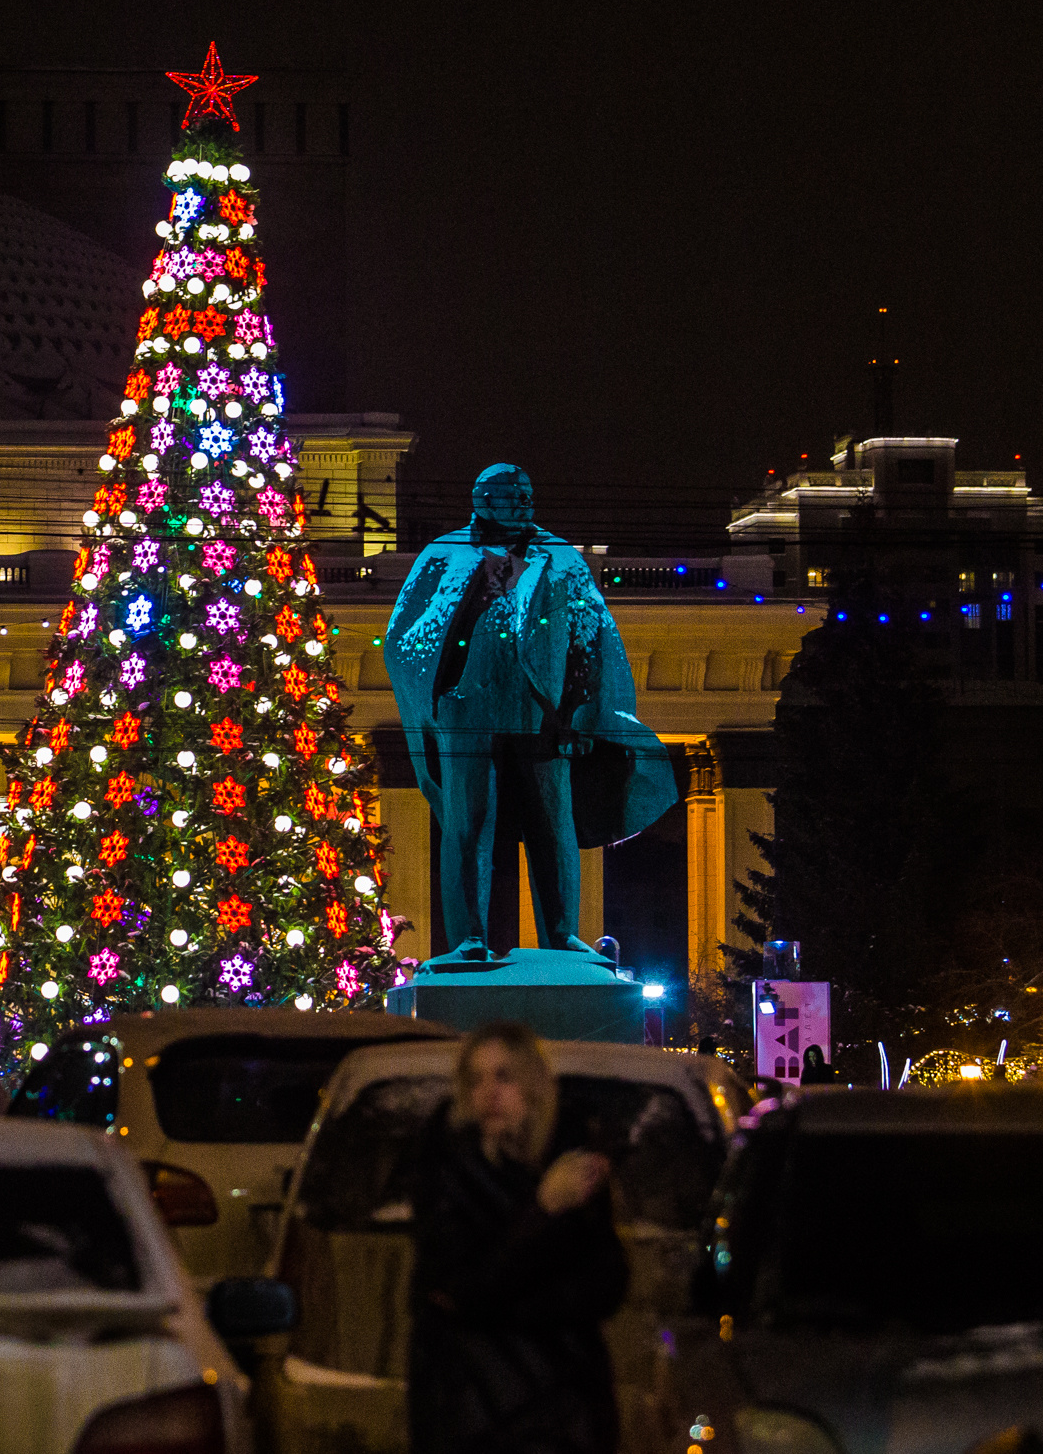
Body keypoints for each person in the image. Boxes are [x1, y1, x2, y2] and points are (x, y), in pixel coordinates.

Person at [386, 464, 677, 959]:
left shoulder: (561, 557)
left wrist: (581, 714)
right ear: (481, 499)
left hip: (541, 712)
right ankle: (469, 940)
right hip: (466, 708)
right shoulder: (444, 555)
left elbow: (589, 639)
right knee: (468, 822)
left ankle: (562, 934)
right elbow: (404, 638)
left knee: (553, 823)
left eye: (527, 493)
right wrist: (478, 592)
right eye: (510, 495)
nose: (523, 502)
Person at [411, 1021, 629, 1454]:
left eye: (504, 1076)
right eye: (476, 1079)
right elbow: (464, 1288)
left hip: (568, 1417)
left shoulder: (571, 1166)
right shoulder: (450, 1174)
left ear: (533, 1086)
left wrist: (511, 1300)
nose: (489, 1092)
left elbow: (606, 1285)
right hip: (477, 1417)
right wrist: (544, 1211)